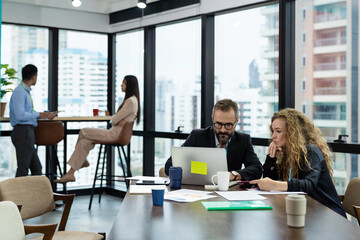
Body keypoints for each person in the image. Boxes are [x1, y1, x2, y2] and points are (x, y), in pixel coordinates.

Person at [250, 108, 346, 217]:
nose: (273, 136)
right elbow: (270, 179)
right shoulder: (287, 152)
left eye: (278, 131)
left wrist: (275, 185)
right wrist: (271, 157)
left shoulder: (311, 151)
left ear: (292, 133)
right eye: (273, 131)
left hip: (329, 214)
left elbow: (308, 185)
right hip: (309, 211)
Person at [55, 75, 140, 183]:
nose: (121, 85)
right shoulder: (133, 100)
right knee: (84, 142)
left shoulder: (130, 101)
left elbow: (113, 121)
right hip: (116, 132)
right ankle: (71, 173)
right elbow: (116, 120)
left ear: (129, 86)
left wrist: (117, 120)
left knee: (83, 131)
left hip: (115, 134)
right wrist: (118, 121)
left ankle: (82, 161)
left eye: (123, 83)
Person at [165, 98, 262, 181]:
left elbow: (257, 169)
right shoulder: (197, 136)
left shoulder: (243, 140)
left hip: (230, 193)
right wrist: (204, 170)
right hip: (199, 190)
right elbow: (169, 165)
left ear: (236, 121)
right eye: (218, 124)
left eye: (228, 125)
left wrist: (233, 175)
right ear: (212, 118)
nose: (223, 130)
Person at [10, 64, 57, 177]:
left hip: (27, 132)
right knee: (23, 168)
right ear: (34, 77)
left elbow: (27, 113)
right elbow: (20, 115)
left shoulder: (24, 92)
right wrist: (39, 114)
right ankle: (17, 195)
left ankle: (34, 194)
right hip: (23, 132)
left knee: (36, 168)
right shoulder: (19, 92)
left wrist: (44, 115)